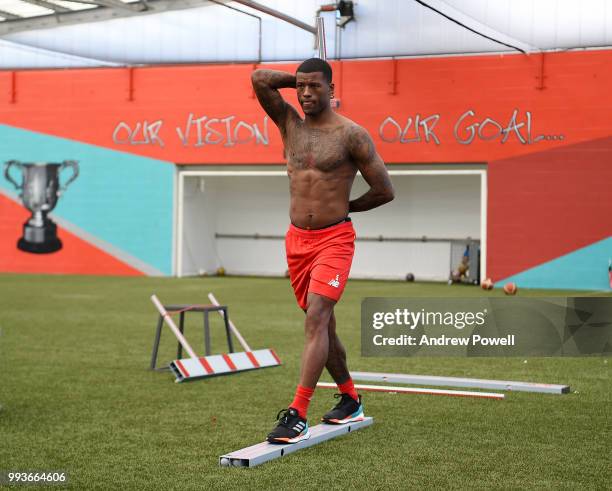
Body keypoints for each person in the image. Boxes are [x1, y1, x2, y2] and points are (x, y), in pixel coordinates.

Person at [251, 58, 395, 444]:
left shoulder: (352, 135)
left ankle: (297, 413)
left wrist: (348, 208)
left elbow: (385, 190)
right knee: (325, 326)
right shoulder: (289, 124)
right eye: (301, 87)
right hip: (297, 242)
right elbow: (259, 79)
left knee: (316, 318)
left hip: (334, 240)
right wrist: (294, 77)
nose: (306, 93)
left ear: (332, 90)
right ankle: (350, 398)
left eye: (315, 86)